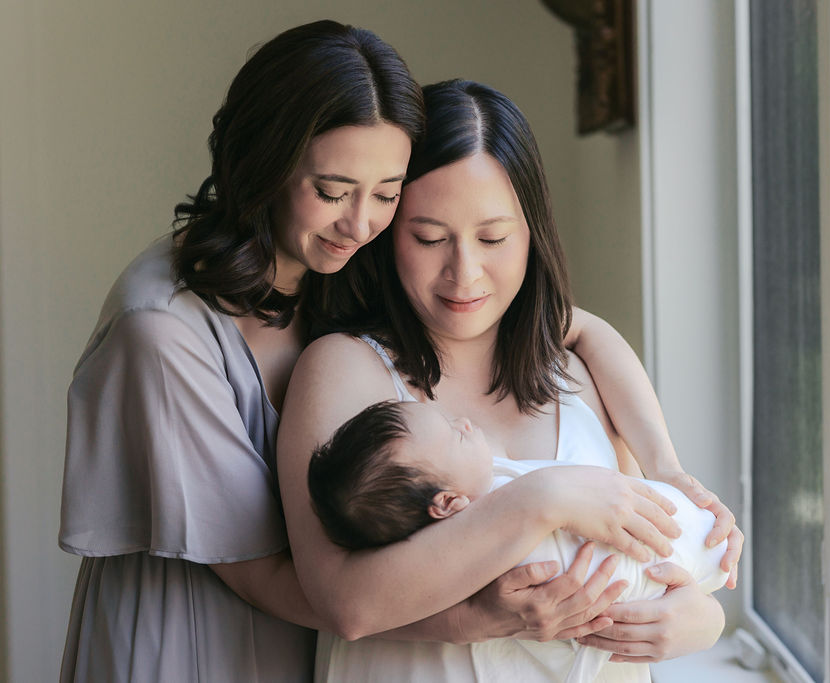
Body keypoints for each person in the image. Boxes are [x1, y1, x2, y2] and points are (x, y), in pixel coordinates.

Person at [58, 21, 737, 683]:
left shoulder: (343, 279)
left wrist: (693, 591)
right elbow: (317, 592)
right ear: (264, 163)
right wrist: (496, 579)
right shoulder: (180, 335)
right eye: (333, 192)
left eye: (383, 194)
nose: (359, 223)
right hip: (196, 637)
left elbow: (574, 327)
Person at [277, 79, 742, 683]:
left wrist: (701, 620)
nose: (463, 273)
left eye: (493, 237)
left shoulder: (578, 374)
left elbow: (643, 557)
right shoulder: (345, 368)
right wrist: (537, 501)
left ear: (532, 233)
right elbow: (345, 603)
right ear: (389, 232)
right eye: (429, 238)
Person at [307, 398, 730, 682]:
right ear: (450, 502)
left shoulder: (578, 364)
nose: (466, 423)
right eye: (456, 433)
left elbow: (641, 527)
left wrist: (708, 620)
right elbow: (346, 606)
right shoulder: (351, 379)